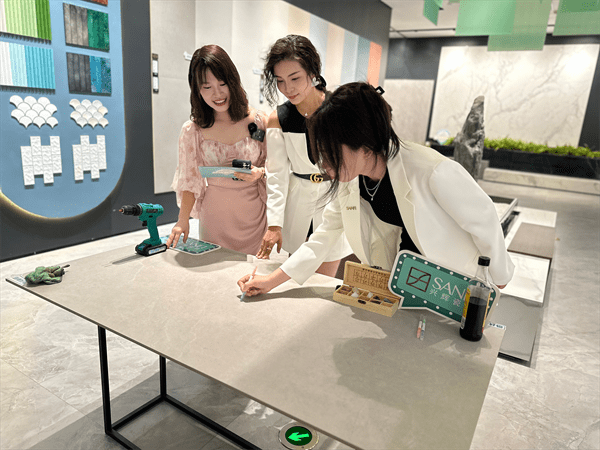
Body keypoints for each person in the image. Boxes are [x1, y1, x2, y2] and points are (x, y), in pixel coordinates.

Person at [239, 82, 514, 296]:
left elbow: (484, 220)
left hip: (453, 287)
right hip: (403, 286)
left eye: (330, 153)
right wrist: (271, 281)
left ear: (363, 144)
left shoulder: (431, 171)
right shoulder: (352, 180)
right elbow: (323, 236)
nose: (324, 164)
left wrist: (497, 278)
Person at [257, 34, 351, 276]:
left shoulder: (339, 111)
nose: (288, 88)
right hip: (298, 207)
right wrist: (274, 224)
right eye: (280, 80)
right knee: (294, 280)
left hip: (333, 202)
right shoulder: (278, 118)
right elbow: (276, 175)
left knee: (322, 284)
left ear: (313, 72)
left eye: (295, 78)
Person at [167, 45, 268, 254]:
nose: (218, 94)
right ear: (197, 89)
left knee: (254, 271)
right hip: (214, 217)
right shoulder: (193, 130)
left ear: (233, 82)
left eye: (223, 84)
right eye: (207, 87)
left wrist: (260, 173)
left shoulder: (259, 122)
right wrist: (182, 220)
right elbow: (189, 180)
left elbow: (276, 169)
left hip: (254, 217)